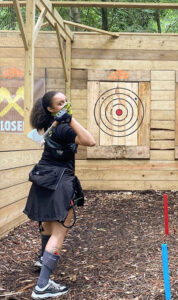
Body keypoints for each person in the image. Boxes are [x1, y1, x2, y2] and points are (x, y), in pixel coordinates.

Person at [23, 91, 96, 299]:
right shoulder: (63, 127)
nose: (65, 104)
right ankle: (43, 285)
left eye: (66, 101)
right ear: (50, 109)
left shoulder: (48, 126)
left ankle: (42, 258)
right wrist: (71, 119)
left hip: (43, 178)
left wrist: (64, 118)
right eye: (60, 103)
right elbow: (90, 141)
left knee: (47, 224)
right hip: (59, 181)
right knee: (59, 232)